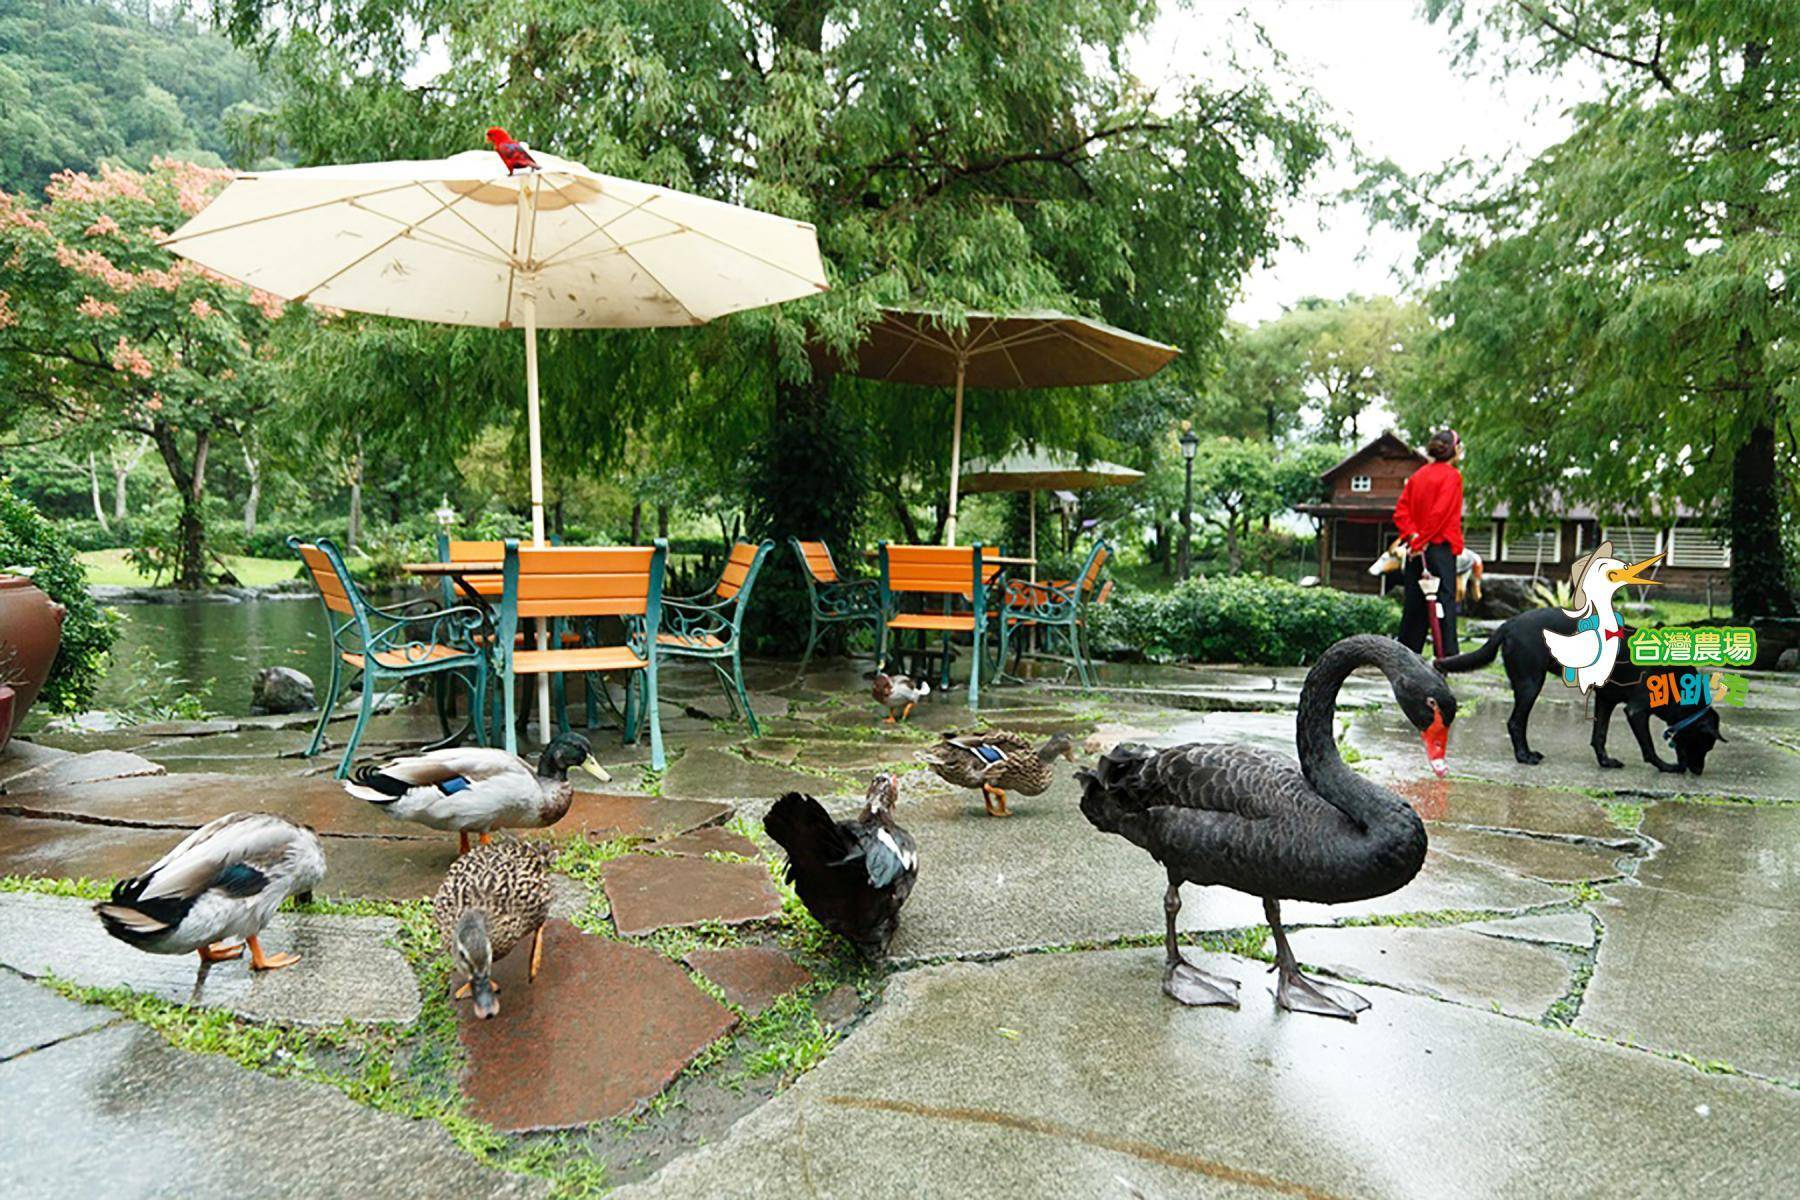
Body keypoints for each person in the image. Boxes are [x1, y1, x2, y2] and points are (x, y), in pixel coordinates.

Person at [1393, 428, 1464, 656]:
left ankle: (1406, 655)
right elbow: (1440, 513)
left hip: (1417, 551)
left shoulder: (1418, 476)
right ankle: (1447, 657)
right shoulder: (1452, 476)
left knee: (1414, 602)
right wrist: (1421, 540)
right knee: (1443, 600)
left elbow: (1401, 512)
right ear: (1454, 449)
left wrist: (1413, 537)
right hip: (1438, 550)